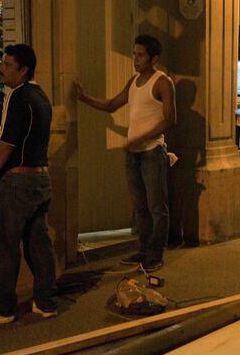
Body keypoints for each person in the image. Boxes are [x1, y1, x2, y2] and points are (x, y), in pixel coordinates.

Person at [0, 44, 63, 325]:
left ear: (23, 70)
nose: (0, 68)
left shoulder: (16, 97)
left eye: (7, 64)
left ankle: (1, 308)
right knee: (38, 243)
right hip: (40, 179)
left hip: (17, 181)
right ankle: (46, 302)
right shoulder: (40, 96)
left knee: (5, 244)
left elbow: (6, 142)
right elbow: (6, 129)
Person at [74, 34, 176, 272]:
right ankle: (143, 251)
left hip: (152, 152)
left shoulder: (163, 82)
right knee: (139, 206)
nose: (135, 59)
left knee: (157, 208)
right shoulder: (133, 82)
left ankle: (155, 255)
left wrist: (142, 137)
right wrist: (83, 97)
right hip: (133, 155)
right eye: (134, 54)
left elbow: (170, 120)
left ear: (154, 58)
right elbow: (112, 105)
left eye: (140, 55)